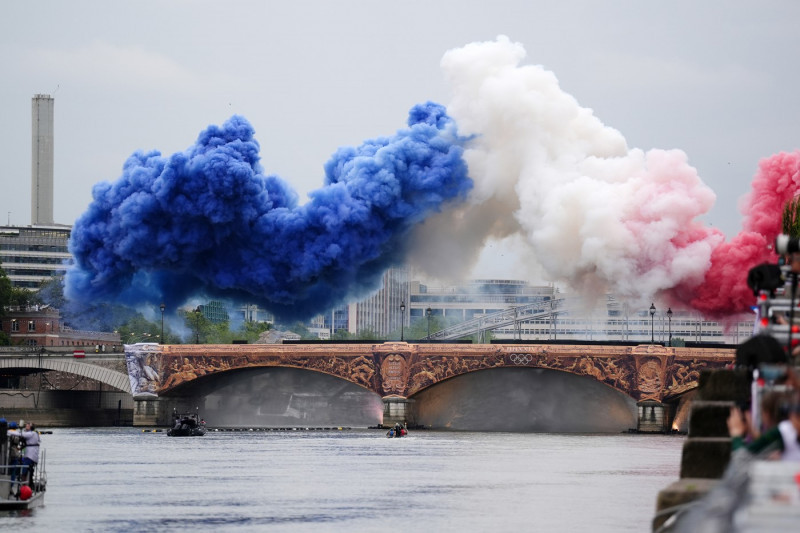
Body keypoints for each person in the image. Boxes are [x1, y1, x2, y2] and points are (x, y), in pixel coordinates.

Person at [728, 392, 800, 460]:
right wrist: (752, 431)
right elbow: (766, 442)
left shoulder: (783, 431)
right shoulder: (785, 432)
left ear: (767, 414)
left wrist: (736, 434)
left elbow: (742, 459)